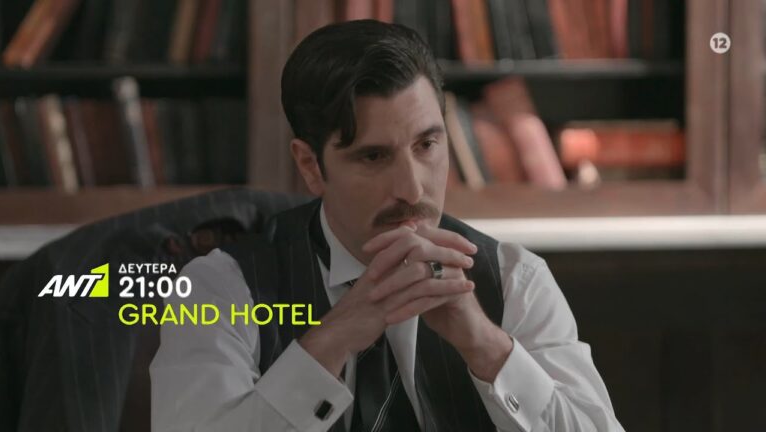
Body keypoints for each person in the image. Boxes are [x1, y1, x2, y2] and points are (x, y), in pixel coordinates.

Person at [150, 20, 624, 432]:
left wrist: (487, 346)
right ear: (311, 165)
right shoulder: (217, 289)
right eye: (374, 156)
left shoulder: (516, 279)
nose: (412, 190)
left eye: (427, 146)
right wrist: (333, 339)